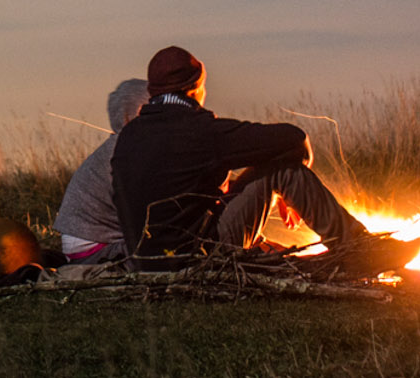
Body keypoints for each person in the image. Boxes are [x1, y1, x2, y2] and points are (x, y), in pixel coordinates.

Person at [110, 45, 398, 266]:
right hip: (197, 257)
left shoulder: (129, 137)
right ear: (195, 88)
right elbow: (294, 138)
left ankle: (354, 249)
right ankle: (359, 251)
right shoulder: (200, 132)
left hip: (146, 262)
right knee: (282, 171)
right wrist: (293, 181)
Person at [53, 78, 150, 265]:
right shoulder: (127, 151)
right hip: (97, 251)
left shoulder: (116, 147)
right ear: (135, 114)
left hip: (83, 246)